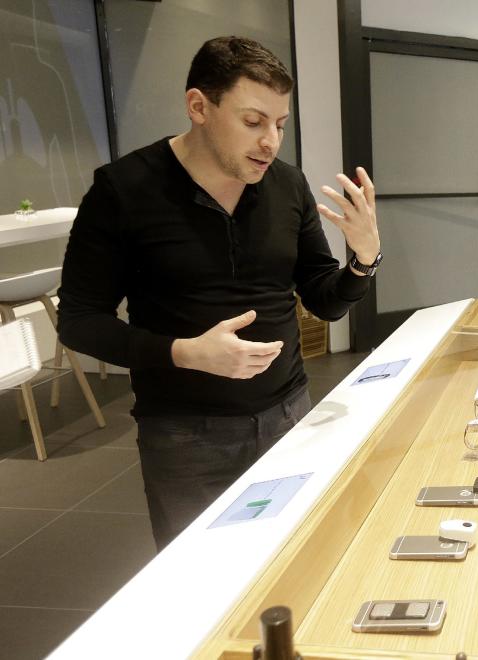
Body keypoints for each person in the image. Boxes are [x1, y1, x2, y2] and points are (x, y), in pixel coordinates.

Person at [57, 36, 381, 550]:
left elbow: (322, 298)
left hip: (289, 413)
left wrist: (362, 262)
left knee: (292, 560)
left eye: (280, 125)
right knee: (198, 581)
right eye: (253, 122)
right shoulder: (123, 191)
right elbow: (77, 319)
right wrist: (184, 352)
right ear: (198, 107)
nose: (270, 142)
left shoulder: (287, 186)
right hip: (185, 433)